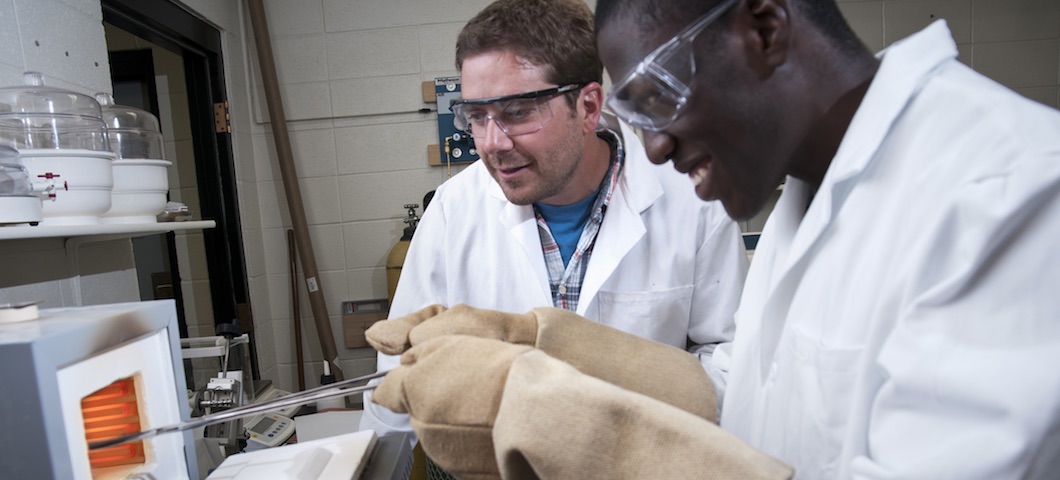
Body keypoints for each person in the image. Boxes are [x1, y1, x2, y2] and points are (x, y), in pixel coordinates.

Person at [363, 0, 1060, 478]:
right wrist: (550, 344)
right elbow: (743, 403)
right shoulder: (805, 196)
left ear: (763, 26)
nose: (656, 147)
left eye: (660, 93)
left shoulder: (1012, 192)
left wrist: (565, 422)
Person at [359, 0, 748, 451]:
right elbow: (395, 391)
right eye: (477, 116)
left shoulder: (692, 202)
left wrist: (624, 394)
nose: (491, 143)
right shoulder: (454, 209)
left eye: (517, 112)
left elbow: (732, 369)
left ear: (587, 106)